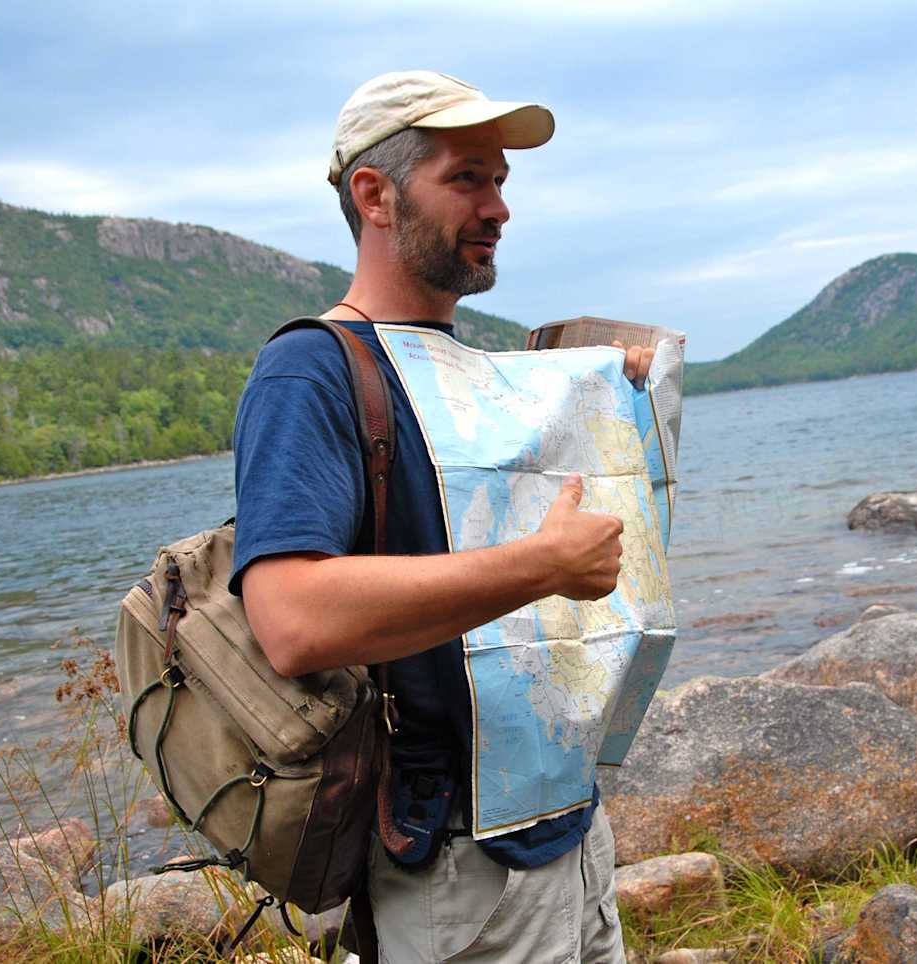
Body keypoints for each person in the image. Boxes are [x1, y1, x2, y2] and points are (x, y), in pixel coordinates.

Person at [230, 71, 650, 963]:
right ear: (374, 195)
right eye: (467, 178)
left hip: (568, 829)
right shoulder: (310, 371)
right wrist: (542, 565)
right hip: (452, 860)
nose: (498, 206)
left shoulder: (475, 371)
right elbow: (291, 620)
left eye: (501, 181)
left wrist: (607, 386)